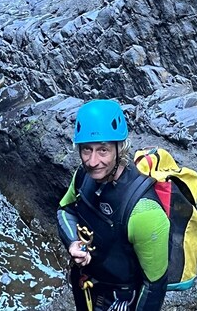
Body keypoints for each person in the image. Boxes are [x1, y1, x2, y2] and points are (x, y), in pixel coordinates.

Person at [57, 99, 170, 311]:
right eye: (86, 149)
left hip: (120, 299)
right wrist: (73, 243)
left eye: (103, 150)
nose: (92, 161)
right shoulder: (82, 176)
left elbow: (154, 285)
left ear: (120, 149)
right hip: (87, 284)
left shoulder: (144, 211)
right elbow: (66, 210)